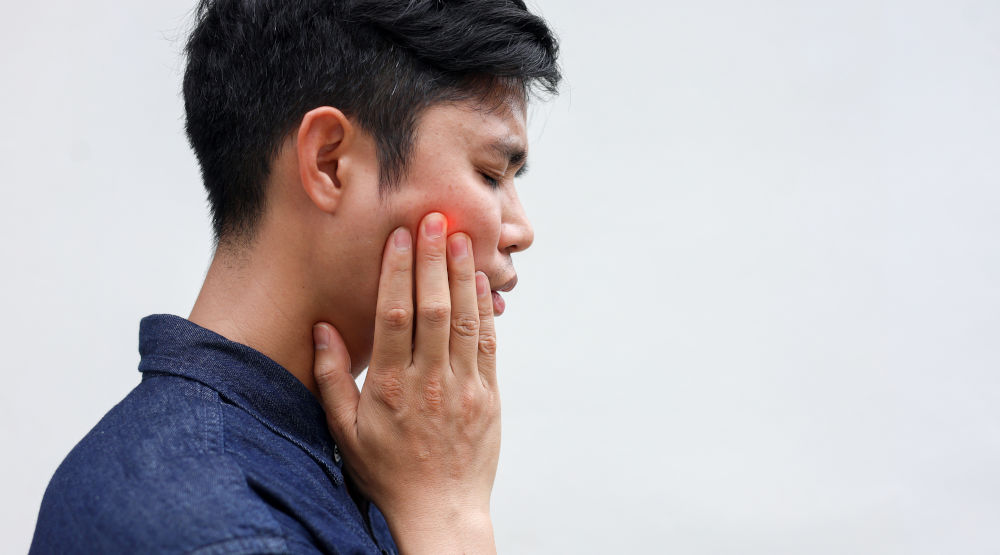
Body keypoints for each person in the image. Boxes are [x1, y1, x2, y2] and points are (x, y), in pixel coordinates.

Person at [29, 0, 560, 552]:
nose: (521, 230)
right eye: (490, 174)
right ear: (330, 162)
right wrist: (448, 516)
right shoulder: (223, 530)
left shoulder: (357, 461)